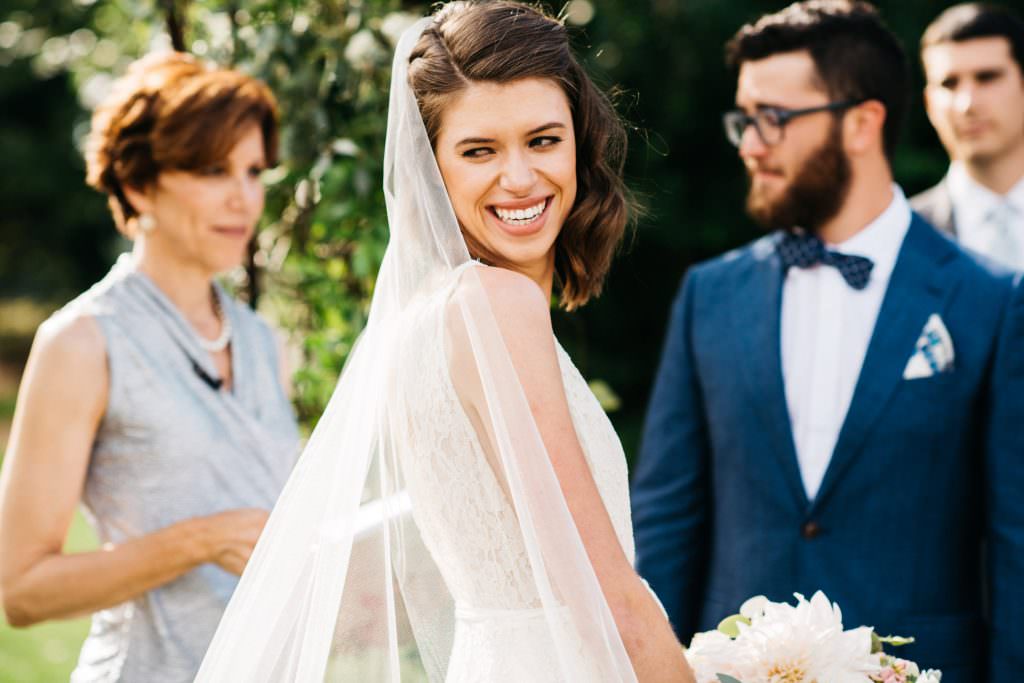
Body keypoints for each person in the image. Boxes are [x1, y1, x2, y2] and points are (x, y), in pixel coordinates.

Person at [196, 2, 695, 682]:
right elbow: (611, 604)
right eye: (479, 150)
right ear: (432, 167)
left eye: (543, 140)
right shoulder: (495, 305)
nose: (519, 177)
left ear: (580, 140)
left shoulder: (425, 316)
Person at [630, 1, 1024, 681]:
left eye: (774, 118)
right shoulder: (710, 296)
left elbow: (1016, 545)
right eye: (744, 120)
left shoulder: (991, 300)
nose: (751, 143)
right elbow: (665, 526)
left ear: (864, 123)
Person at [0, 53, 299, 682]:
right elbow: (22, 591)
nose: (242, 198)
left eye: (252, 172)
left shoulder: (263, 341)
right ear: (138, 184)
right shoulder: (82, 343)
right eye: (212, 170)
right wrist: (201, 541)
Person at [912, 2, 1024, 271]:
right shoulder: (904, 236)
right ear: (929, 104)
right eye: (949, 84)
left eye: (987, 77)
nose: (967, 104)